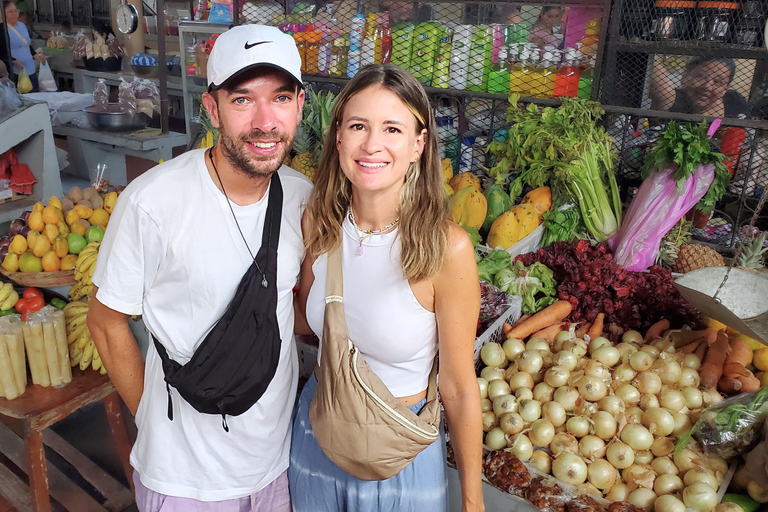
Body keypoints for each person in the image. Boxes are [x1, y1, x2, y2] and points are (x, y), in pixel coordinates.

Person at [87, 24, 310, 512]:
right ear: (212, 108)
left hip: (275, 466)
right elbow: (105, 322)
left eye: (280, 98)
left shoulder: (301, 198)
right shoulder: (153, 202)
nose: (265, 121)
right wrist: (152, 418)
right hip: (183, 481)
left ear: (299, 104)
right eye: (243, 100)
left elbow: (297, 310)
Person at [288, 63, 484, 512]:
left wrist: (473, 502)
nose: (372, 144)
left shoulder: (446, 249)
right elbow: (304, 318)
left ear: (418, 145)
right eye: (358, 126)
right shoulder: (319, 222)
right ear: (338, 136)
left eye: (392, 128)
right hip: (317, 432)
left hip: (399, 454)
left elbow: (458, 387)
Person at [649, 57, 750, 119]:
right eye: (700, 77)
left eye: (718, 82)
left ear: (726, 88)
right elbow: (658, 78)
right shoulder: (674, 99)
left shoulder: (734, 101)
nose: (707, 86)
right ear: (685, 76)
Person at [0, 0, 46, 92]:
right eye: (10, 11)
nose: (14, 14)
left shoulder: (22, 26)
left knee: (35, 93)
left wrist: (35, 54)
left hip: (29, 67)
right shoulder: (2, 29)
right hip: (15, 70)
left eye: (16, 11)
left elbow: (26, 43)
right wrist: (13, 61)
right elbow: (1, 51)